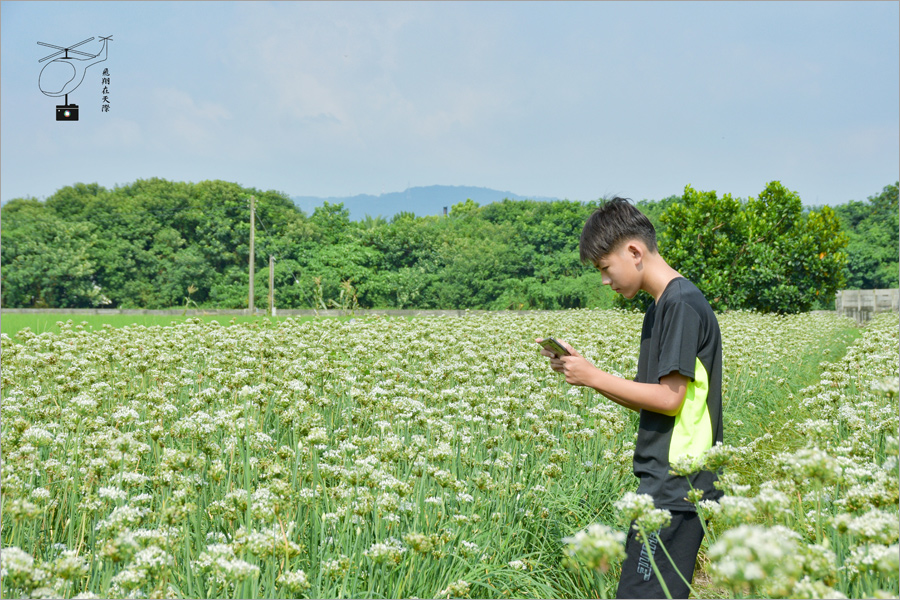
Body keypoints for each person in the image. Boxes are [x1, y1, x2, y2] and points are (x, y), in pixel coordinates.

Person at [537, 197, 723, 599]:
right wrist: (586, 375)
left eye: (605, 268)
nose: (604, 280)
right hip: (665, 481)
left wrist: (594, 375)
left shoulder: (681, 305)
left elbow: (670, 399)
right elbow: (649, 398)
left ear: (634, 252)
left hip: (678, 484)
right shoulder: (659, 309)